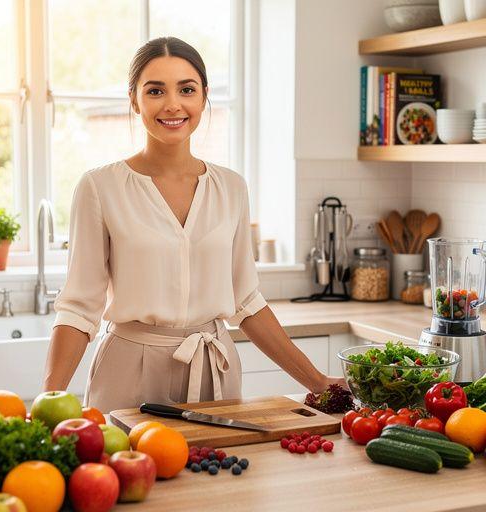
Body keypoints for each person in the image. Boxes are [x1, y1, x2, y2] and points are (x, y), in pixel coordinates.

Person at [43, 37, 345, 412]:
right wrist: (48, 399)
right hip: (127, 371)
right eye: (155, 90)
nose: (173, 104)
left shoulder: (231, 188)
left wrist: (318, 382)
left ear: (203, 97)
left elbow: (246, 302)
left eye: (187, 89)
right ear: (134, 100)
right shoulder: (100, 187)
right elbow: (78, 308)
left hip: (212, 370)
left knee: (218, 469)